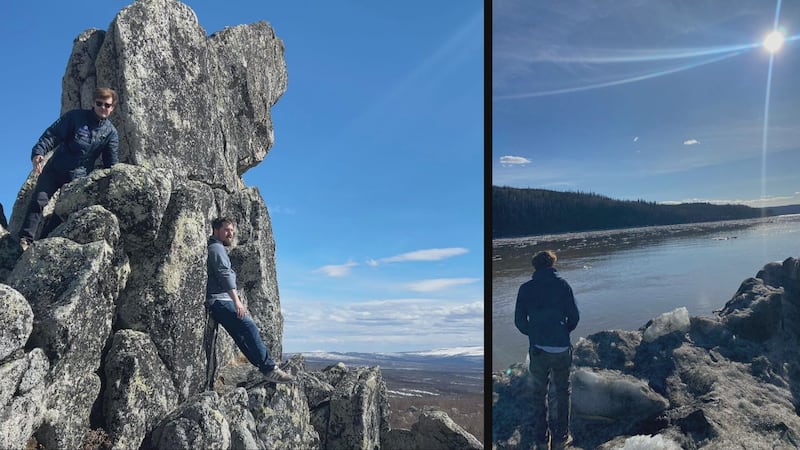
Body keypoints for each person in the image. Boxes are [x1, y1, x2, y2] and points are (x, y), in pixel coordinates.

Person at [19, 87, 120, 250]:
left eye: (107, 105)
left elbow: (111, 162)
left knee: (64, 213)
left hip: (77, 179)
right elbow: (52, 135)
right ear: (93, 103)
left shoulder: (110, 133)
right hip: (55, 169)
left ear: (112, 108)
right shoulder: (76, 117)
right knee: (39, 200)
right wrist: (39, 152)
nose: (103, 107)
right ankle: (25, 240)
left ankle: (42, 244)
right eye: (99, 103)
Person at [205, 216, 293, 384]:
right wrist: (237, 301)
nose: (230, 233)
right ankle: (269, 369)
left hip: (220, 299)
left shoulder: (217, 247)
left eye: (231, 230)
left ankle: (265, 367)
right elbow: (224, 274)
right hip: (220, 299)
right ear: (216, 231)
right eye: (226, 230)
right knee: (248, 326)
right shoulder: (216, 248)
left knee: (241, 334)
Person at [515, 250, 580, 450]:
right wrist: (561, 332)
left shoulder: (526, 288)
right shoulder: (563, 286)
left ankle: (542, 441)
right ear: (552, 264)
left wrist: (535, 335)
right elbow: (574, 318)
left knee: (538, 394)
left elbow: (519, 321)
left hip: (538, 349)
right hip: (560, 348)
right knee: (562, 392)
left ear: (535, 267)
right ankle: (561, 438)